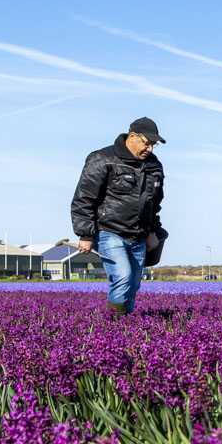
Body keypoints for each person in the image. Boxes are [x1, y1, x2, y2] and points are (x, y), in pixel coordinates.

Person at [71, 117, 168, 318]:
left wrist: (152, 232)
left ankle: (126, 327)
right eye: (147, 143)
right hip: (109, 232)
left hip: (139, 234)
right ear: (132, 137)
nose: (150, 149)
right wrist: (85, 235)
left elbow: (154, 204)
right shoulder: (102, 158)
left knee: (133, 283)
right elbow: (84, 198)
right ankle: (113, 327)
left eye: (153, 145)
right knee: (122, 278)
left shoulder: (154, 166)